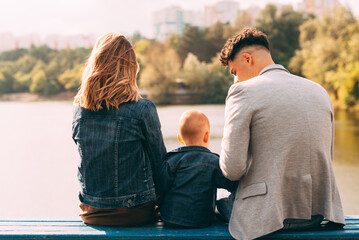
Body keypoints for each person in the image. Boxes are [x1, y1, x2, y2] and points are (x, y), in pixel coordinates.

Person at [218, 28, 345, 240]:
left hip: (267, 217)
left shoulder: (242, 92)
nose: (235, 80)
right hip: (315, 213)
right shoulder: (319, 91)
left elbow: (232, 169)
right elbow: (325, 157)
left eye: (234, 72)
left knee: (217, 193)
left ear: (247, 59)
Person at [72, 33, 166, 226]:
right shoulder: (143, 109)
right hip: (135, 212)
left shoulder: (79, 110)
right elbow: (160, 164)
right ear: (130, 68)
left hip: (92, 212)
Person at [157, 110, 237, 228]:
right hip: (201, 221)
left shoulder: (171, 161)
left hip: (170, 218)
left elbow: (160, 188)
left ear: (180, 138)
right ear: (206, 136)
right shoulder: (215, 162)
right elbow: (231, 184)